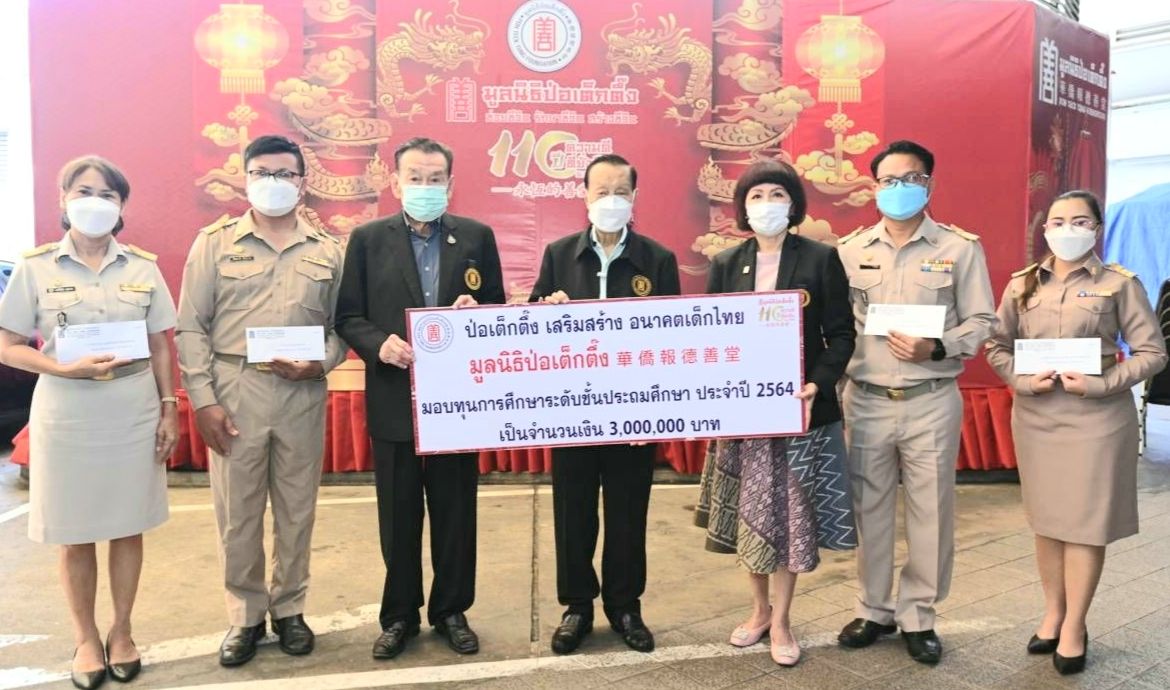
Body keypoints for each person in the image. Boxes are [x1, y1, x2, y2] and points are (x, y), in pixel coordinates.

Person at [0, 156, 177, 689]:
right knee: (74, 532)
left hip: (132, 409)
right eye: (83, 191)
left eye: (107, 194)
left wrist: (169, 407)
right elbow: (8, 345)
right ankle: (84, 638)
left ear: (121, 206)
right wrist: (60, 367)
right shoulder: (35, 267)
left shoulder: (142, 267)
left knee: (126, 526)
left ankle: (122, 631)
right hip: (67, 411)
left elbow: (160, 345)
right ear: (63, 199)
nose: (95, 202)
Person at [176, 135, 348, 667]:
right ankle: (245, 615)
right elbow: (190, 327)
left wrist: (322, 363)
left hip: (301, 392)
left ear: (303, 183)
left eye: (285, 174)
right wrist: (203, 401)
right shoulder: (214, 243)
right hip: (235, 390)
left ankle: (290, 608)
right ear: (246, 179)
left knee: (297, 509)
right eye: (263, 173)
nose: (274, 183)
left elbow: (343, 326)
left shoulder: (328, 250)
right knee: (238, 513)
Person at [335, 137, 505, 660]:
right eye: (415, 178)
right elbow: (348, 316)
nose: (425, 187)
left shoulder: (476, 237)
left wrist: (477, 314)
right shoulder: (368, 239)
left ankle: (452, 611)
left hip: (457, 404)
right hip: (394, 399)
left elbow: (497, 309)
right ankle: (399, 616)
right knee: (399, 516)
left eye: (435, 179)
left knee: (456, 514)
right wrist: (378, 345)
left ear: (450, 184)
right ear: (395, 182)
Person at [986, 190, 1167, 675]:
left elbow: (1153, 352)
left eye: (1080, 221)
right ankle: (1053, 612)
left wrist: (1103, 383)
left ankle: (1075, 625)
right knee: (1047, 521)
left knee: (1084, 523)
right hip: (1037, 416)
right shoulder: (1022, 284)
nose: (1068, 229)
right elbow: (997, 346)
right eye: (1058, 221)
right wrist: (1024, 381)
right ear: (1045, 229)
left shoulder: (1119, 284)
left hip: (1097, 419)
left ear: (1097, 229)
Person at [835, 140, 996, 664]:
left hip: (931, 398)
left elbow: (983, 320)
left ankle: (919, 614)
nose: (898, 188)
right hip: (867, 399)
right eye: (888, 180)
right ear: (874, 187)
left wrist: (939, 346)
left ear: (929, 184)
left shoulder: (959, 248)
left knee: (932, 510)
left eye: (911, 179)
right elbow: (837, 327)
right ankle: (874, 608)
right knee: (869, 509)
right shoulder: (850, 250)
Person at [695, 160, 857, 667]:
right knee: (753, 516)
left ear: (794, 204)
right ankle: (759, 610)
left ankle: (783, 619)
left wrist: (816, 384)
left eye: (777, 194)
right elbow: (709, 334)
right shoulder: (726, 263)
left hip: (798, 413)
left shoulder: (820, 259)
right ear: (743, 207)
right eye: (757, 195)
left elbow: (841, 334)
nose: (767, 204)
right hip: (745, 415)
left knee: (789, 518)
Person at [529, 153, 681, 655]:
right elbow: (530, 330)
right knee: (572, 512)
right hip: (571, 411)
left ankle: (625, 606)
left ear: (635, 197)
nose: (610, 200)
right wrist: (546, 311)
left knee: (628, 512)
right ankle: (577, 606)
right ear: (585, 196)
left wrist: (654, 407)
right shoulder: (559, 255)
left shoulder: (658, 260)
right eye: (601, 191)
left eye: (620, 192)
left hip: (634, 413)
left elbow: (678, 337)